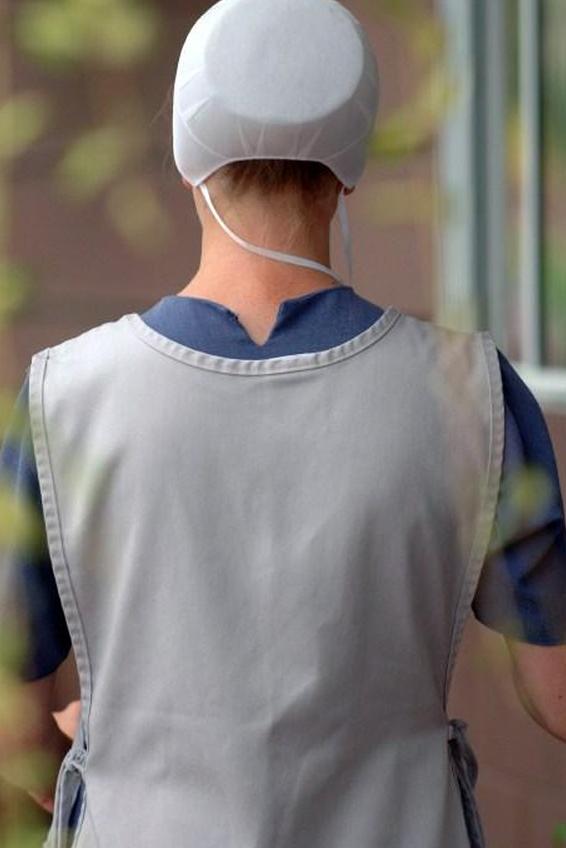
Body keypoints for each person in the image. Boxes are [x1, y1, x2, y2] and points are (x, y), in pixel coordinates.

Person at [0, 0, 565, 846]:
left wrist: (73, 754)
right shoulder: (470, 392)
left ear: (188, 161)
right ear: (349, 171)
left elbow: (11, 723)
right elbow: (559, 692)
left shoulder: (62, 397)